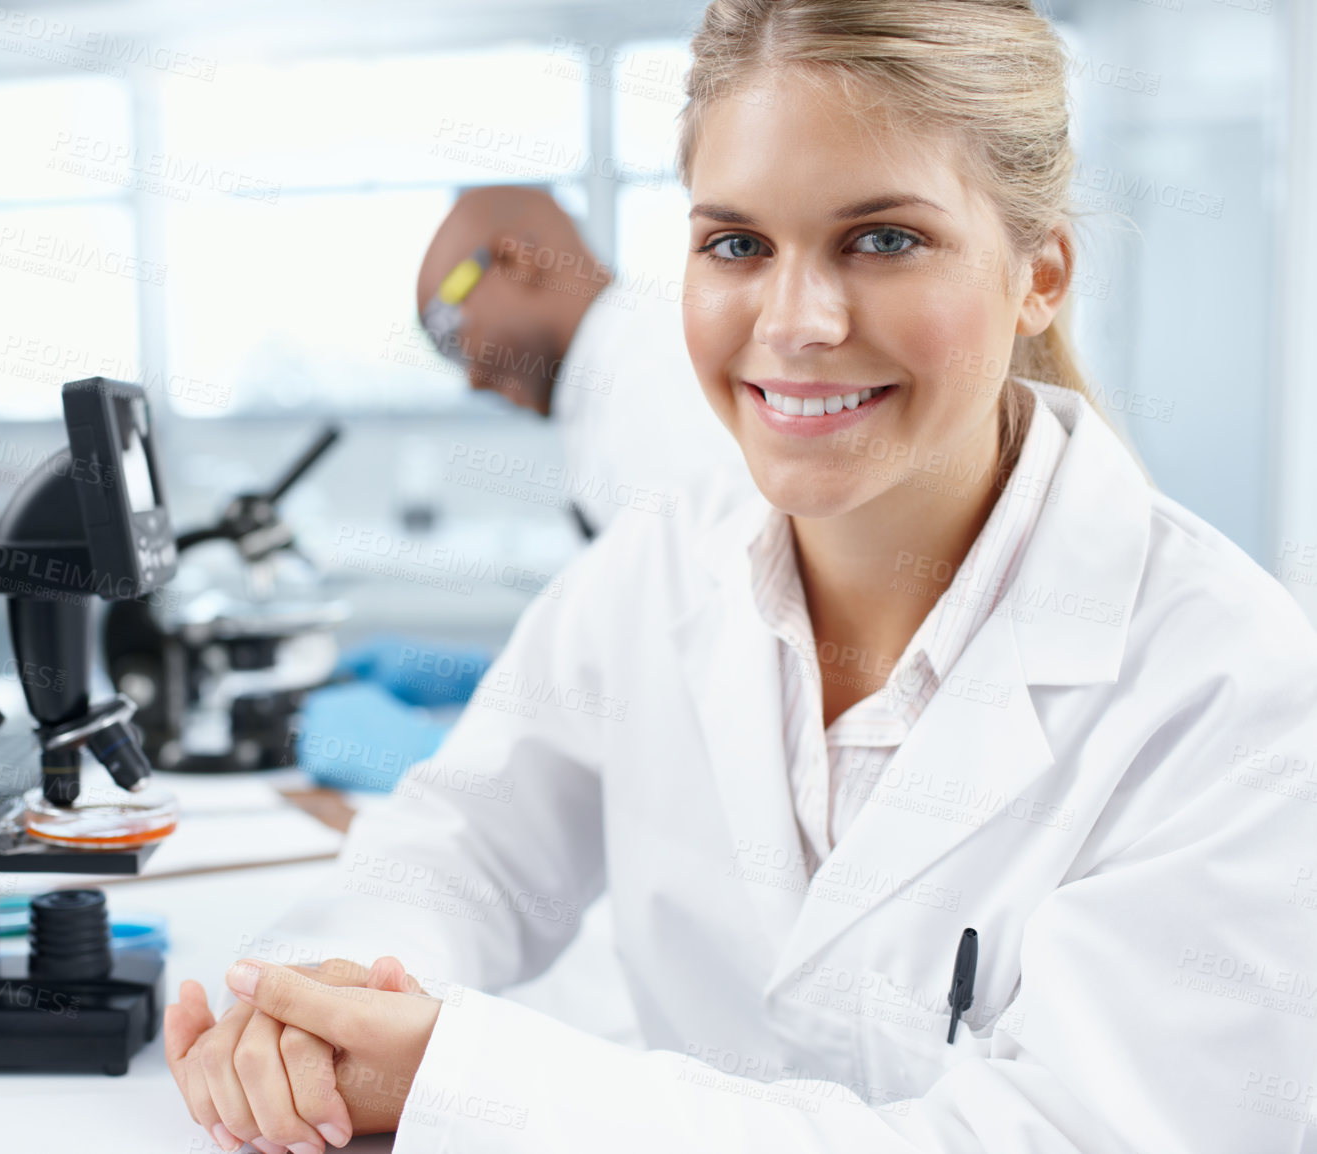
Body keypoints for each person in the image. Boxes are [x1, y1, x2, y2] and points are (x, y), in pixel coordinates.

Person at [165, 2, 1317, 1152]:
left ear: (1041, 275)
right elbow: (458, 846)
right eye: (737, 245)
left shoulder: (1230, 694)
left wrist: (472, 1081)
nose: (796, 321)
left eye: (883, 239)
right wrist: (318, 1004)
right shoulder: (659, 567)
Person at [415, 184, 748, 535]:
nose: (473, 381)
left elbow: (730, 557)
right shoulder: (608, 379)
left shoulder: (649, 372)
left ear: (517, 260)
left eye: (449, 331)